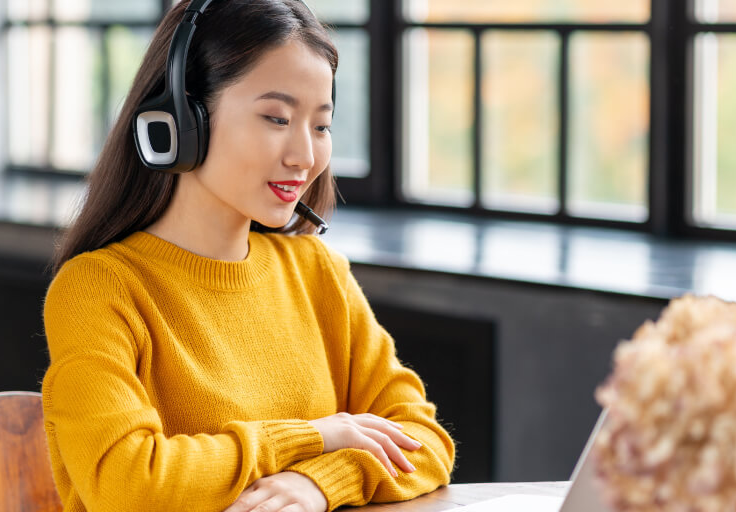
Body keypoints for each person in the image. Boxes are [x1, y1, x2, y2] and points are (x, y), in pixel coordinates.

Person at [41, 1, 456, 511]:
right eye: (276, 118)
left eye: (321, 126)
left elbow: (423, 439)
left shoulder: (316, 272)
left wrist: (319, 483)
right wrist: (315, 436)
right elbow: (130, 483)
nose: (304, 155)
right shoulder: (97, 289)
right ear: (184, 118)